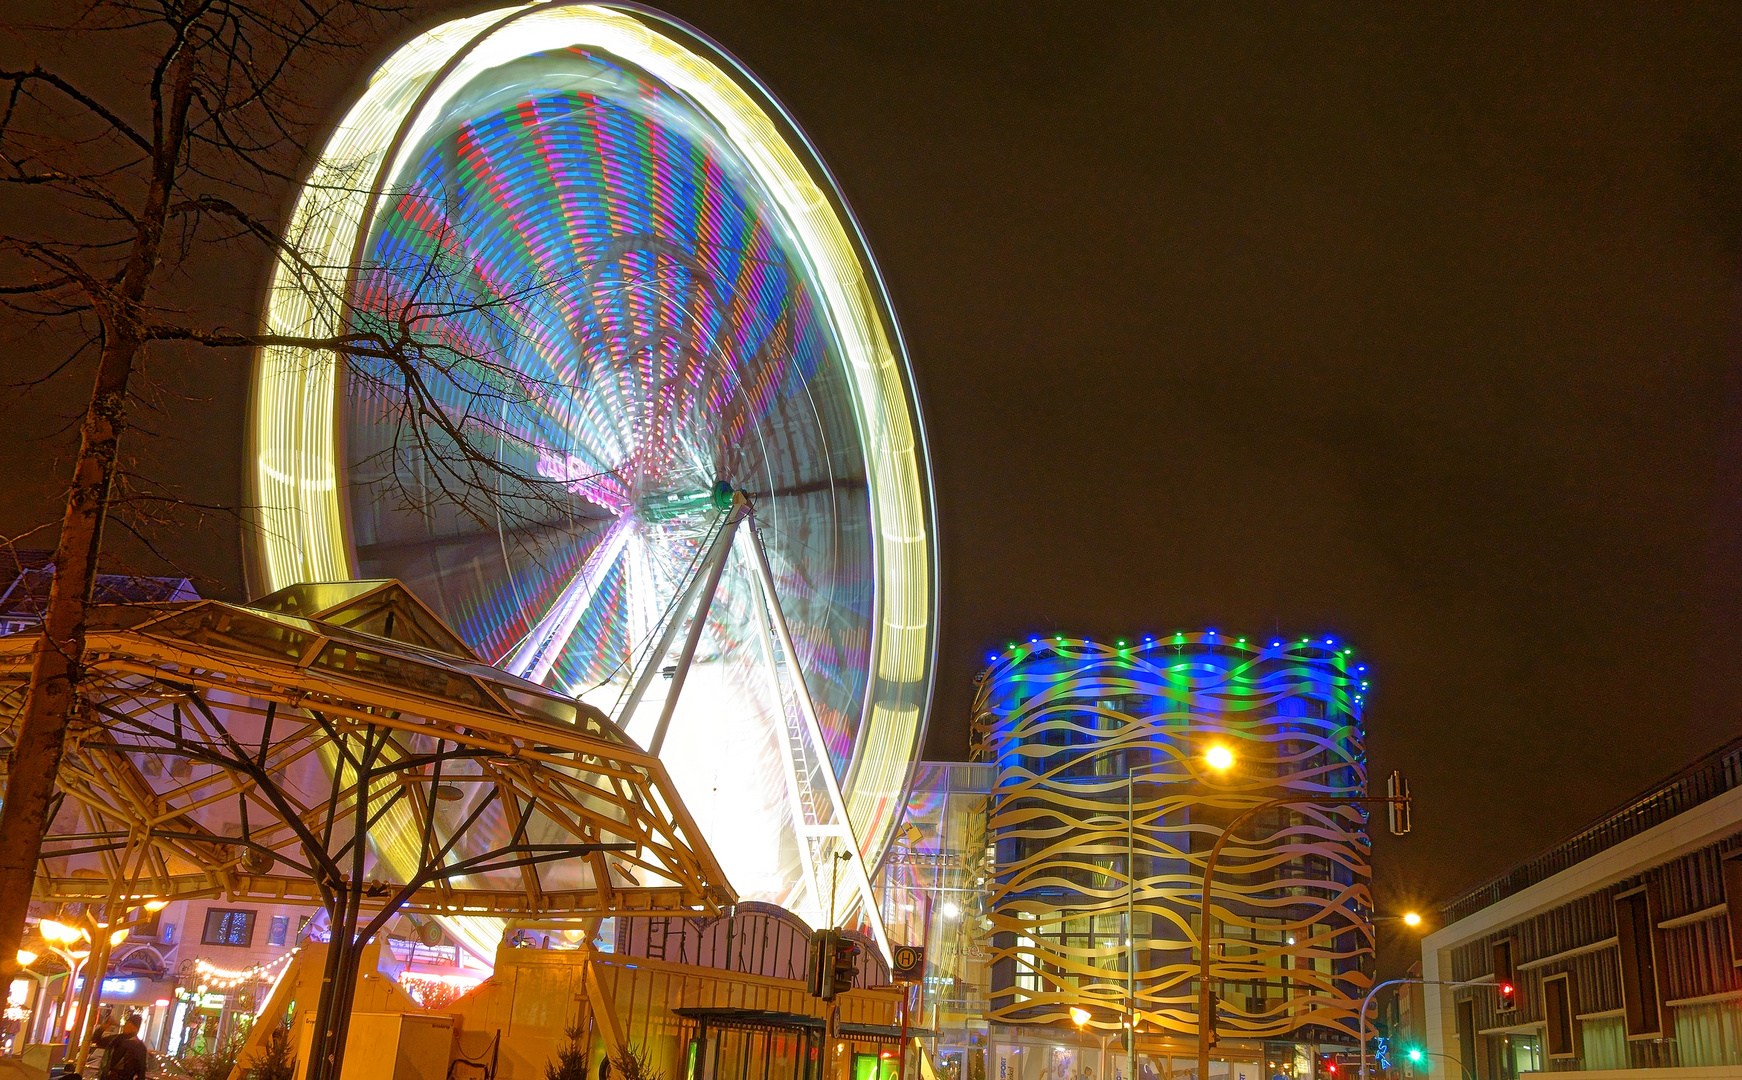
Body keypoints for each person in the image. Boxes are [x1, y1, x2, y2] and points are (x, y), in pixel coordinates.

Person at [89, 1014, 150, 1080]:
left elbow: (141, 1071)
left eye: (129, 1024)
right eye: (126, 1024)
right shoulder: (115, 1039)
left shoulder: (139, 1047)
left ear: (135, 1029)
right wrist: (103, 1027)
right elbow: (96, 1040)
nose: (125, 1026)